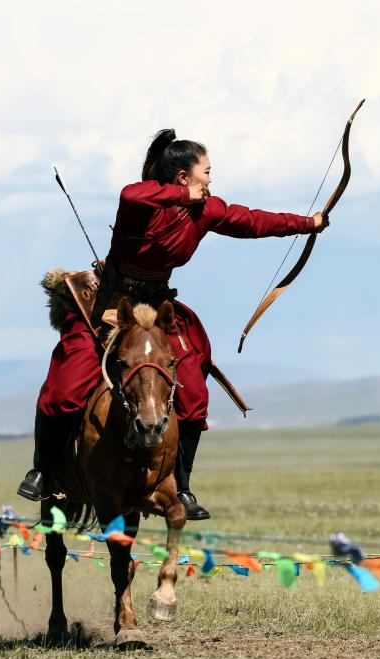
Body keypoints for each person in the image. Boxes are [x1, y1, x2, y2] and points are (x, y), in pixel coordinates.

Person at [17, 129, 328, 520]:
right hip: (113, 305)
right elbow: (130, 193)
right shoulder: (144, 203)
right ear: (184, 177)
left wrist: (307, 223)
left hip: (160, 308)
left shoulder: (207, 209)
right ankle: (43, 470)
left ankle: (181, 486)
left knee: (193, 397)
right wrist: (182, 196)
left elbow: (250, 221)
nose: (210, 179)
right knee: (66, 387)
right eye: (206, 172)